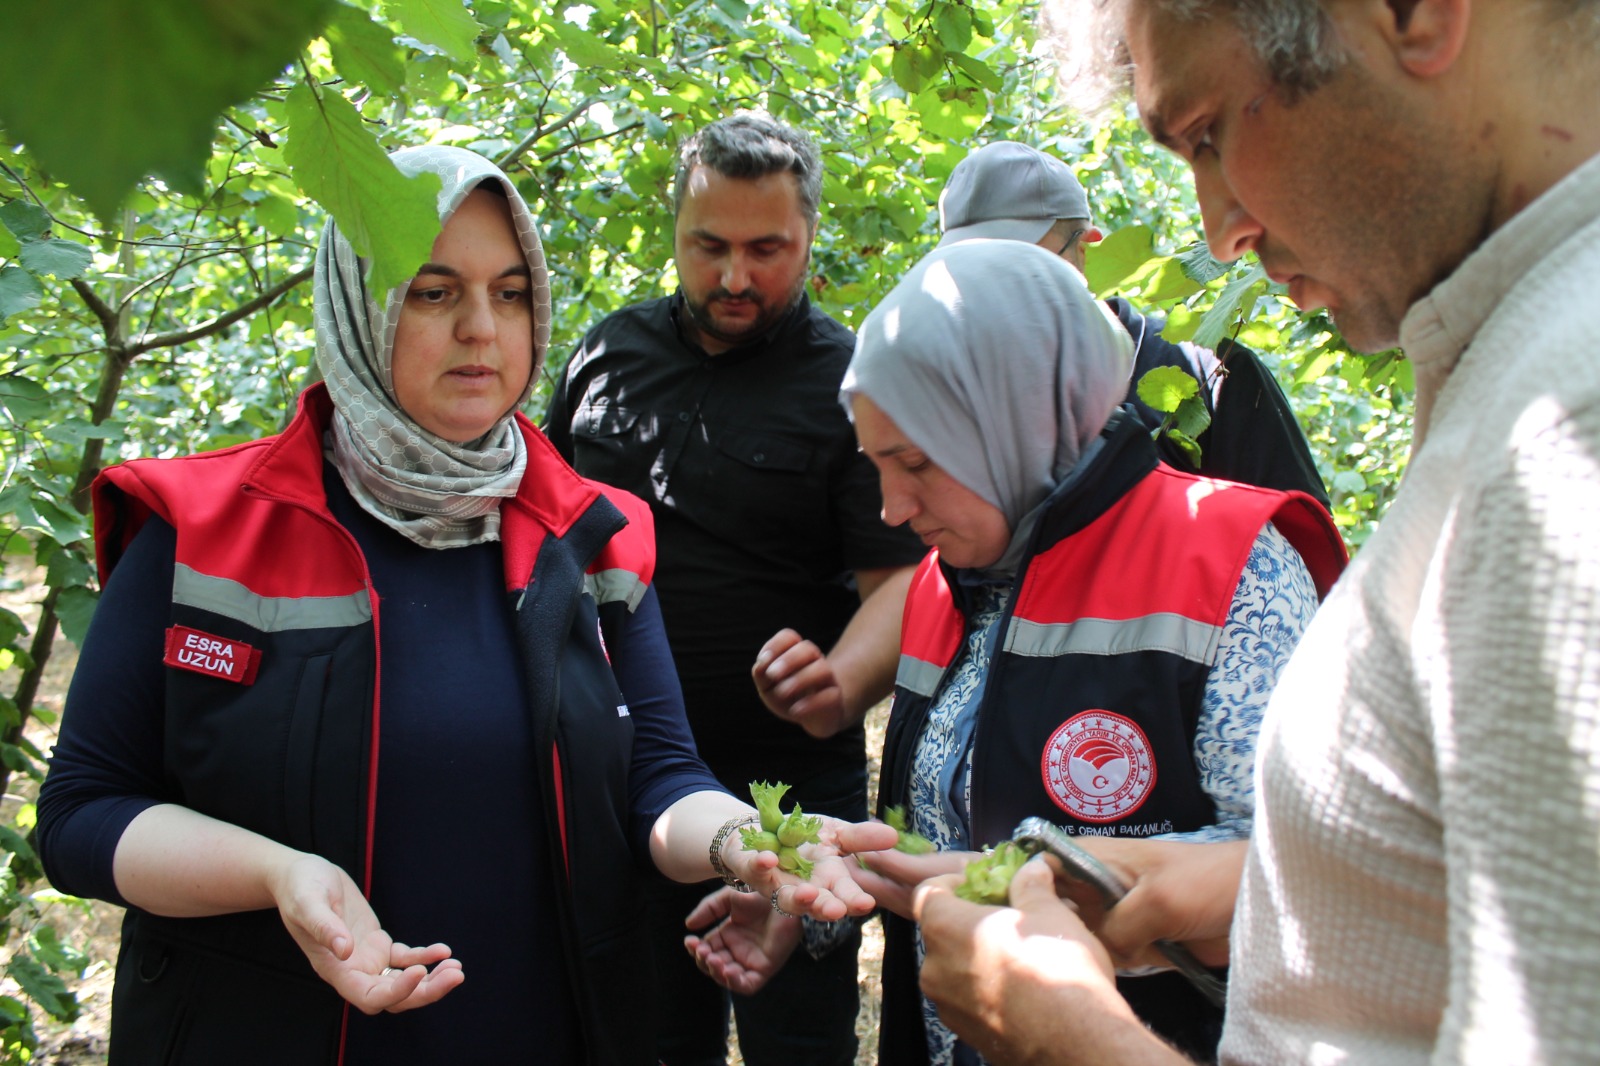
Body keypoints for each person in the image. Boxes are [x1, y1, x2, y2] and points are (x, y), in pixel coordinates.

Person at [34, 145, 892, 1066]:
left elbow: (657, 777)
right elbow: (84, 815)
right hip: (262, 1027)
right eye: (434, 292)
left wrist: (746, 842)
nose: (482, 328)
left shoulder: (590, 535)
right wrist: (279, 875)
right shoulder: (203, 529)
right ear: (362, 304)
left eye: (511, 292)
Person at [909, 0, 1600, 1062]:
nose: (1218, 225)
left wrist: (1066, 1038)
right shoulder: (1506, 369)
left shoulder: (1564, 434)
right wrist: (1247, 884)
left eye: (1205, 135)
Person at [687, 238, 1347, 1065]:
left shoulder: (1232, 564)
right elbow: (942, 829)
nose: (891, 509)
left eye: (917, 464)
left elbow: (1312, 882)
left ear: (1018, 421)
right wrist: (823, 901)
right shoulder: (948, 579)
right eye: (877, 467)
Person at [544, 114, 925, 1066]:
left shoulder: (849, 381)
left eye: (768, 249)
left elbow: (901, 584)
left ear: (809, 239)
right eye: (708, 246)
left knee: (796, 1040)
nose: (734, 278)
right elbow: (538, 533)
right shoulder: (604, 358)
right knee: (638, 1034)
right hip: (621, 784)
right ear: (673, 230)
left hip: (788, 794)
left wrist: (838, 679)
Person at [938, 139, 1327, 505]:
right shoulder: (960, 397)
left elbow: (1304, 548)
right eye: (971, 272)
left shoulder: (1210, 372)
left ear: (1084, 248)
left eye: (1019, 266)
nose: (995, 290)